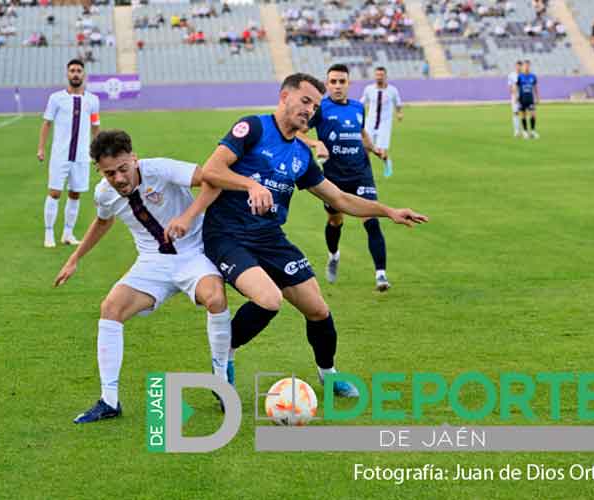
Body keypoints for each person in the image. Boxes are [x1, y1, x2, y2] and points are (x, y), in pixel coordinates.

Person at [173, 73, 427, 398]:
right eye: (305, 101)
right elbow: (211, 170)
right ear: (284, 97)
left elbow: (339, 199)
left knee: (318, 310)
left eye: (315, 106)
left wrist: (388, 211)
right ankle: (225, 356)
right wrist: (252, 184)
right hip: (227, 234)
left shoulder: (301, 155)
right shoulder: (253, 128)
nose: (310, 110)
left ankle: (329, 374)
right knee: (268, 299)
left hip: (269, 237)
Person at [53, 130, 232, 423]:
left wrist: (188, 217)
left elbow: (212, 180)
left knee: (215, 298)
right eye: (110, 173)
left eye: (123, 169)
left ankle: (222, 380)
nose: (119, 178)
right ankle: (109, 401)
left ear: (134, 159)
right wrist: (75, 258)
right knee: (110, 309)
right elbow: (102, 221)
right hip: (152, 263)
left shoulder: (160, 169)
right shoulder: (104, 193)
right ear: (100, 171)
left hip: (193, 255)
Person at [297, 64, 391, 290]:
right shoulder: (319, 109)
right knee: (335, 220)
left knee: (372, 219)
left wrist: (375, 149)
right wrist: (316, 143)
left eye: (342, 82)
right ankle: (334, 255)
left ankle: (381, 275)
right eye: (333, 82)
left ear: (349, 84)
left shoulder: (358, 107)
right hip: (333, 177)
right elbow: (297, 133)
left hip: (361, 173)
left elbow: (361, 133)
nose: (338, 86)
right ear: (327, 84)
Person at [37, 59, 101, 248]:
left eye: (78, 71)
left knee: (75, 194)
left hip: (82, 156)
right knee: (55, 193)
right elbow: (46, 123)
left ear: (84, 75)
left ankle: (68, 233)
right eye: (72, 70)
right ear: (67, 74)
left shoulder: (93, 100)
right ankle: (49, 233)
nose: (75, 74)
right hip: (60, 155)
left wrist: (97, 153)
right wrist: (41, 148)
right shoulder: (56, 98)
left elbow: (95, 127)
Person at [361, 67, 402, 177]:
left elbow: (397, 103)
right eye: (377, 75)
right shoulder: (369, 89)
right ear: (374, 76)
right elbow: (362, 103)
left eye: (381, 75)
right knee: (365, 149)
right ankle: (366, 172)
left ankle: (387, 162)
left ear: (385, 76)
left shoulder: (392, 90)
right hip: (370, 123)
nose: (379, 77)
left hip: (384, 124)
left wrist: (399, 113)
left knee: (380, 151)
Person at [515, 60, 540, 139]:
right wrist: (516, 96)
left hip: (530, 99)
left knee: (533, 114)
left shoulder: (533, 76)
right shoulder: (520, 76)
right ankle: (525, 131)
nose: (526, 67)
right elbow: (517, 87)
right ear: (523, 67)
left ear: (530, 66)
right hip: (522, 99)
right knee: (523, 115)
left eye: (528, 66)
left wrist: (537, 97)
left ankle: (532, 131)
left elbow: (535, 87)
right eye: (525, 66)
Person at [507, 60, 523, 137]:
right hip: (515, 96)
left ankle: (524, 130)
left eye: (520, 66)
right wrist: (515, 95)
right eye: (517, 65)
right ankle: (516, 131)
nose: (518, 67)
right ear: (515, 66)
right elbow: (510, 87)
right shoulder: (511, 75)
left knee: (524, 113)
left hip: (523, 96)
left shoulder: (523, 75)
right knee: (515, 113)